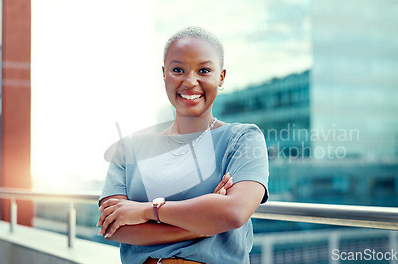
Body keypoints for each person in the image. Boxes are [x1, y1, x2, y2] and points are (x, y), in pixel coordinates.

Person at [97, 26, 269, 264]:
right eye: (178, 69)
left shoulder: (243, 139)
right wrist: (203, 226)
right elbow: (113, 226)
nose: (190, 82)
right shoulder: (129, 148)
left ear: (221, 77)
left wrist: (146, 211)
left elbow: (234, 212)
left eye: (204, 70)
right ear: (164, 73)